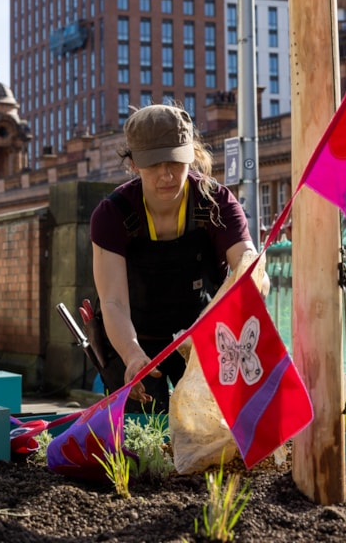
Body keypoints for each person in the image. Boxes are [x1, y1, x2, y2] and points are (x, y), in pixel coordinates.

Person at [90, 103, 267, 412]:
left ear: (190, 154)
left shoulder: (216, 202)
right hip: (133, 339)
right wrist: (132, 355)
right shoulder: (112, 214)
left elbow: (247, 264)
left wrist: (254, 273)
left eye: (175, 161)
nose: (166, 174)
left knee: (212, 431)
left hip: (203, 339)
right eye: (153, 164)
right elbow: (113, 301)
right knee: (142, 430)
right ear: (133, 164)